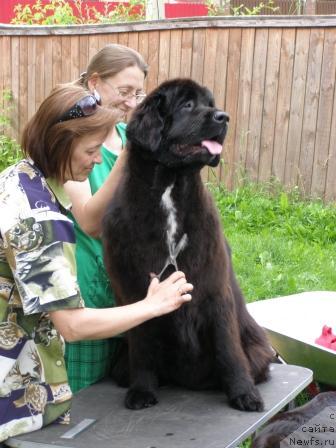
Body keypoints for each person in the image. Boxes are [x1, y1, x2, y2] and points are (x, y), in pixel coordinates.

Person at [0, 83, 193, 442]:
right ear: (60, 143)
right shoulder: (36, 217)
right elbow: (73, 325)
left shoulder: (21, 177)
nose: (98, 159)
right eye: (91, 150)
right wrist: (152, 305)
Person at [63, 44, 149, 393]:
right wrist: (131, 156)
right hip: (90, 294)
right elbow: (89, 221)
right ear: (95, 83)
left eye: (139, 93)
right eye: (124, 91)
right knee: (84, 403)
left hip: (130, 293)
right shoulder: (71, 137)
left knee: (121, 400)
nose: (132, 102)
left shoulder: (129, 137)